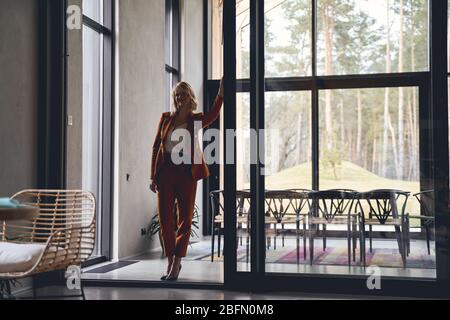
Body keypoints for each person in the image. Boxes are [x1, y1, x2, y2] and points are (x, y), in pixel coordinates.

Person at [150, 78, 224, 281]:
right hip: (165, 174)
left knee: (185, 221)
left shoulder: (195, 119)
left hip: (186, 174)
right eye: (177, 94)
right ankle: (169, 262)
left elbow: (213, 115)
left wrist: (220, 94)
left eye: (183, 94)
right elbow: (157, 147)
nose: (180, 97)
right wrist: (153, 176)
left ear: (190, 97)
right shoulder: (166, 119)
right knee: (165, 219)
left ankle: (176, 265)